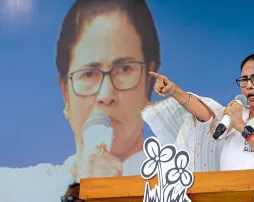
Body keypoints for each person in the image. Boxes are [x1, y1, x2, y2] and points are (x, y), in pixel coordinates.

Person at [0, 0, 160, 201]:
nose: (106, 94)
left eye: (124, 69)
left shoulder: (184, 181)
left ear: (149, 81)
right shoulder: (19, 190)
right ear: (65, 92)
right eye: (89, 74)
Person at [140, 52, 254, 178]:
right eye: (244, 79)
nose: (249, 85)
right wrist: (174, 91)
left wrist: (243, 129)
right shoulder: (237, 114)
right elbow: (206, 115)